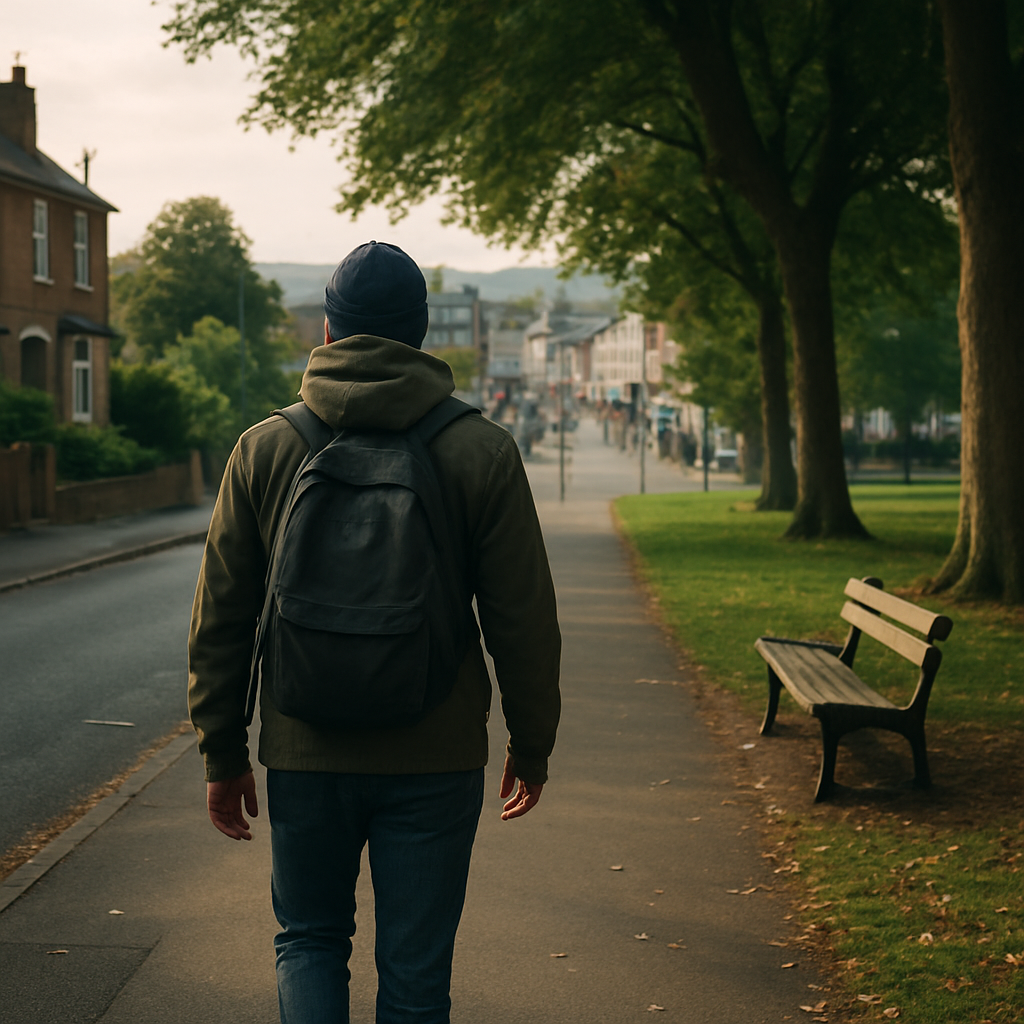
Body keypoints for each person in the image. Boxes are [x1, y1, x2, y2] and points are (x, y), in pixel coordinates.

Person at [188, 240, 561, 1024]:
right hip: (436, 754)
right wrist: (532, 743)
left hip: (303, 747)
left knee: (310, 941)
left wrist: (222, 750)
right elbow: (522, 618)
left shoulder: (266, 448)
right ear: (421, 334)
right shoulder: (481, 450)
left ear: (328, 332)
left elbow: (222, 613)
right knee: (417, 974)